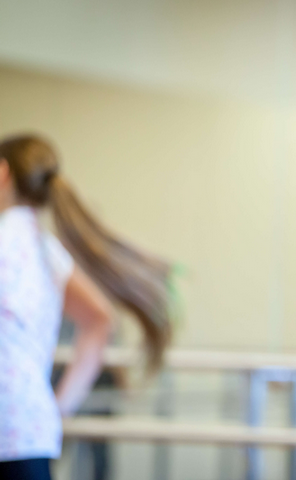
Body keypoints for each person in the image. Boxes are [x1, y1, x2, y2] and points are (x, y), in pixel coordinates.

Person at [0, 135, 173, 480]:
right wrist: (60, 406)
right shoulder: (46, 248)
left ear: (3, 172)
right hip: (33, 429)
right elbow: (99, 319)